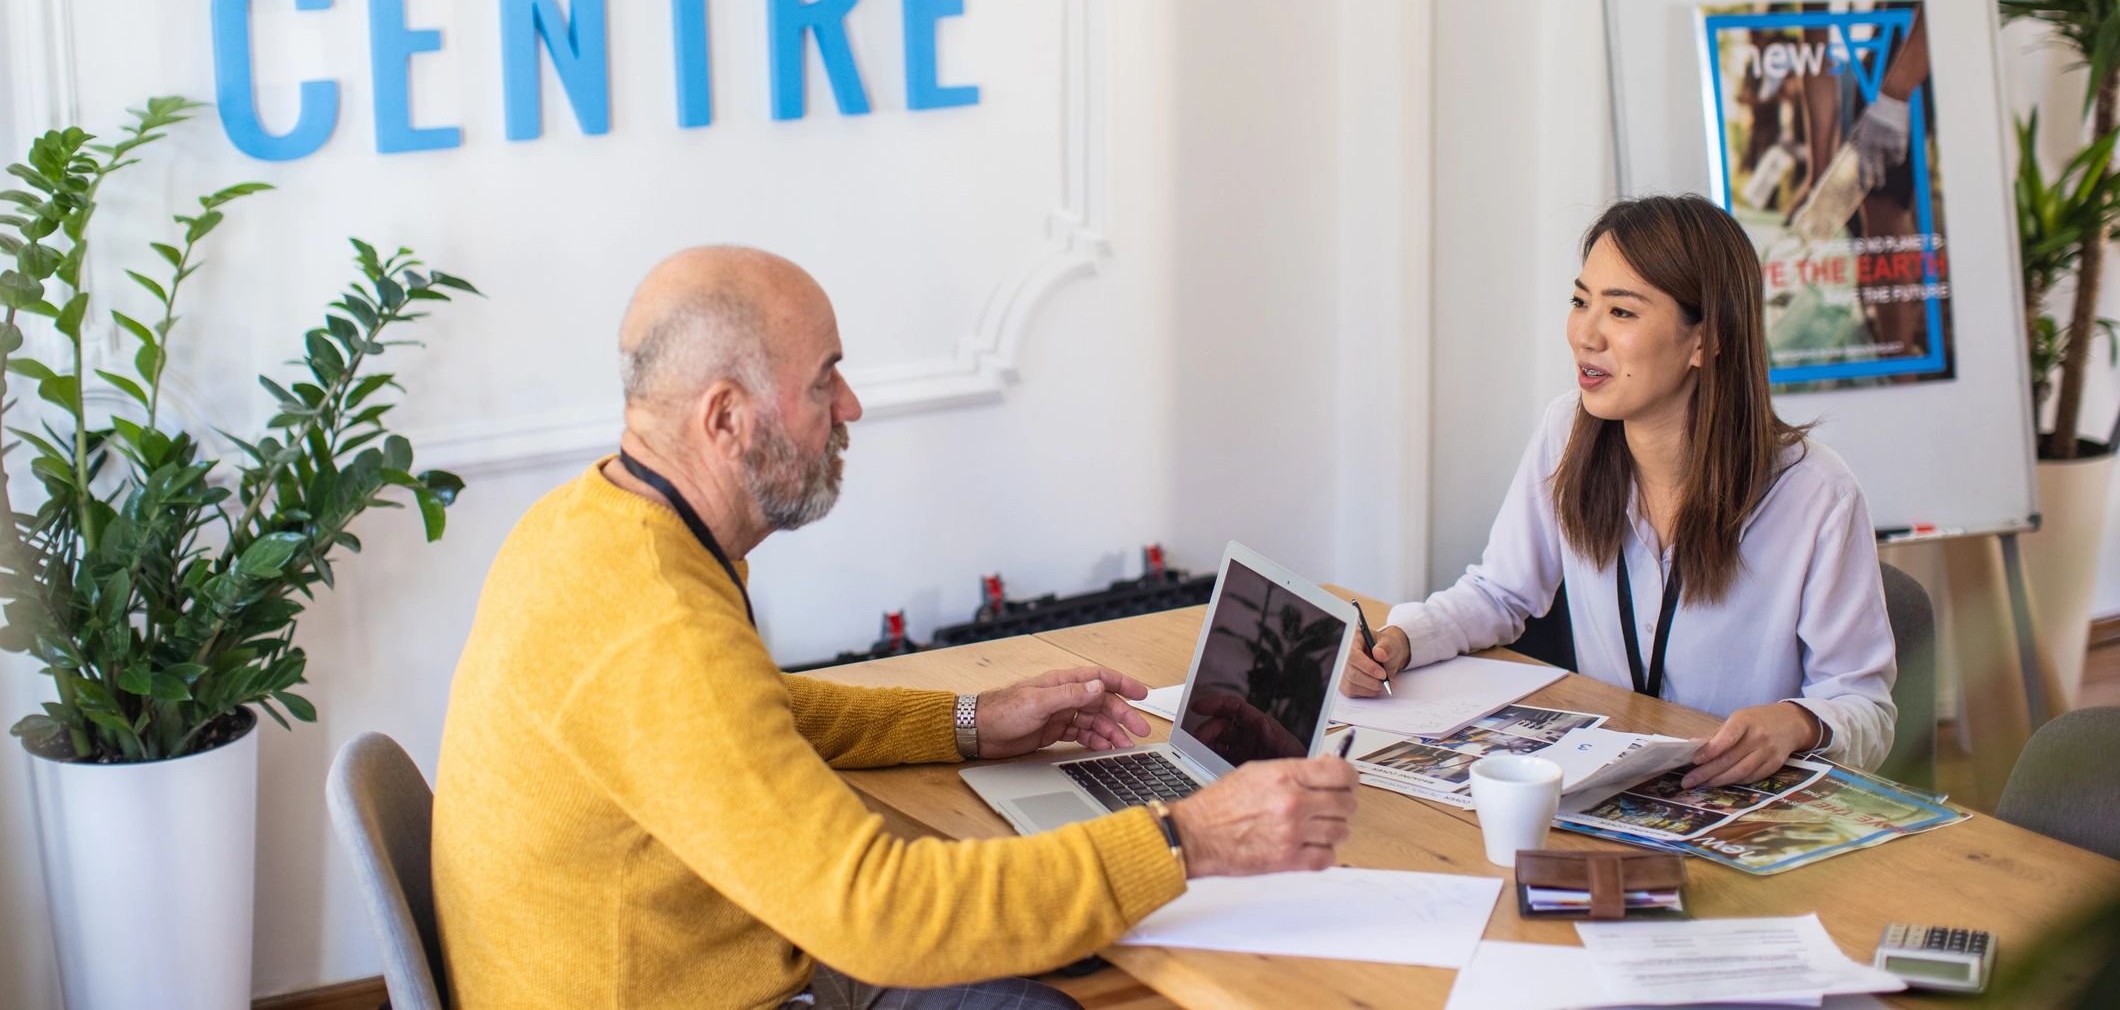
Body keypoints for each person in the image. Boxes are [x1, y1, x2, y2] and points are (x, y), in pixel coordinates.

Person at [432, 246, 1359, 1010]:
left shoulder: (587, 526)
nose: (851, 407)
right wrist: (1188, 839)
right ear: (725, 418)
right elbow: (877, 910)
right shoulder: (655, 622)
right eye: (824, 379)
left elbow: (754, 713)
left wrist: (969, 722)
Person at [1342, 195, 1896, 786]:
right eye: (1581, 301)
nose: (1585, 334)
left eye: (1622, 313)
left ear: (1706, 341)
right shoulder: (1567, 432)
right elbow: (1500, 594)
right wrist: (1399, 641)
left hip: (1735, 802)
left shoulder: (1816, 495)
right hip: (1606, 786)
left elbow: (1865, 707)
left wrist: (1797, 723)